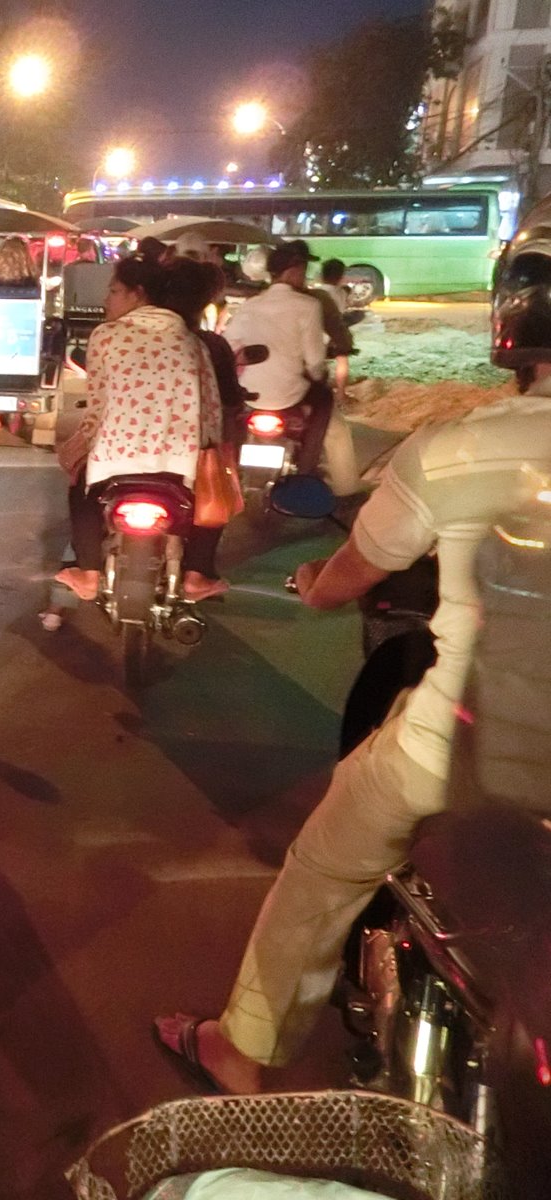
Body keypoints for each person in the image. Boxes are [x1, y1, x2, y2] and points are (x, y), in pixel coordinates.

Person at [153, 242, 551, 1097]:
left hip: (460, 747)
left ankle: (242, 1050)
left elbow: (354, 571)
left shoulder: (454, 449)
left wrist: (315, 585)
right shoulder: (303, 324)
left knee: (323, 870)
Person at [54, 255, 221, 602]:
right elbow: (211, 413)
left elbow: (97, 409)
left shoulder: (105, 336)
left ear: (138, 293)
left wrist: (74, 450)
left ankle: (88, 574)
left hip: (115, 461)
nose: (106, 300)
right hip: (180, 465)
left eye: (114, 291)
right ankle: (196, 575)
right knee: (211, 497)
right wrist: (211, 452)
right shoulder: (192, 342)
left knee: (79, 490)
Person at [155, 256, 244, 601]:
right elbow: (230, 402)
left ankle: (80, 562)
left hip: (128, 450)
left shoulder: (131, 337)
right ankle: (196, 572)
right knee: (215, 491)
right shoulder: (211, 346)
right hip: (192, 452)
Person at [225, 239, 332, 474]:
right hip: (289, 396)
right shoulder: (309, 305)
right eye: (303, 270)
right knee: (325, 400)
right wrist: (320, 377)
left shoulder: (250, 305)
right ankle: (306, 469)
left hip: (249, 394)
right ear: (294, 271)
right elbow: (315, 360)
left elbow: (229, 343)